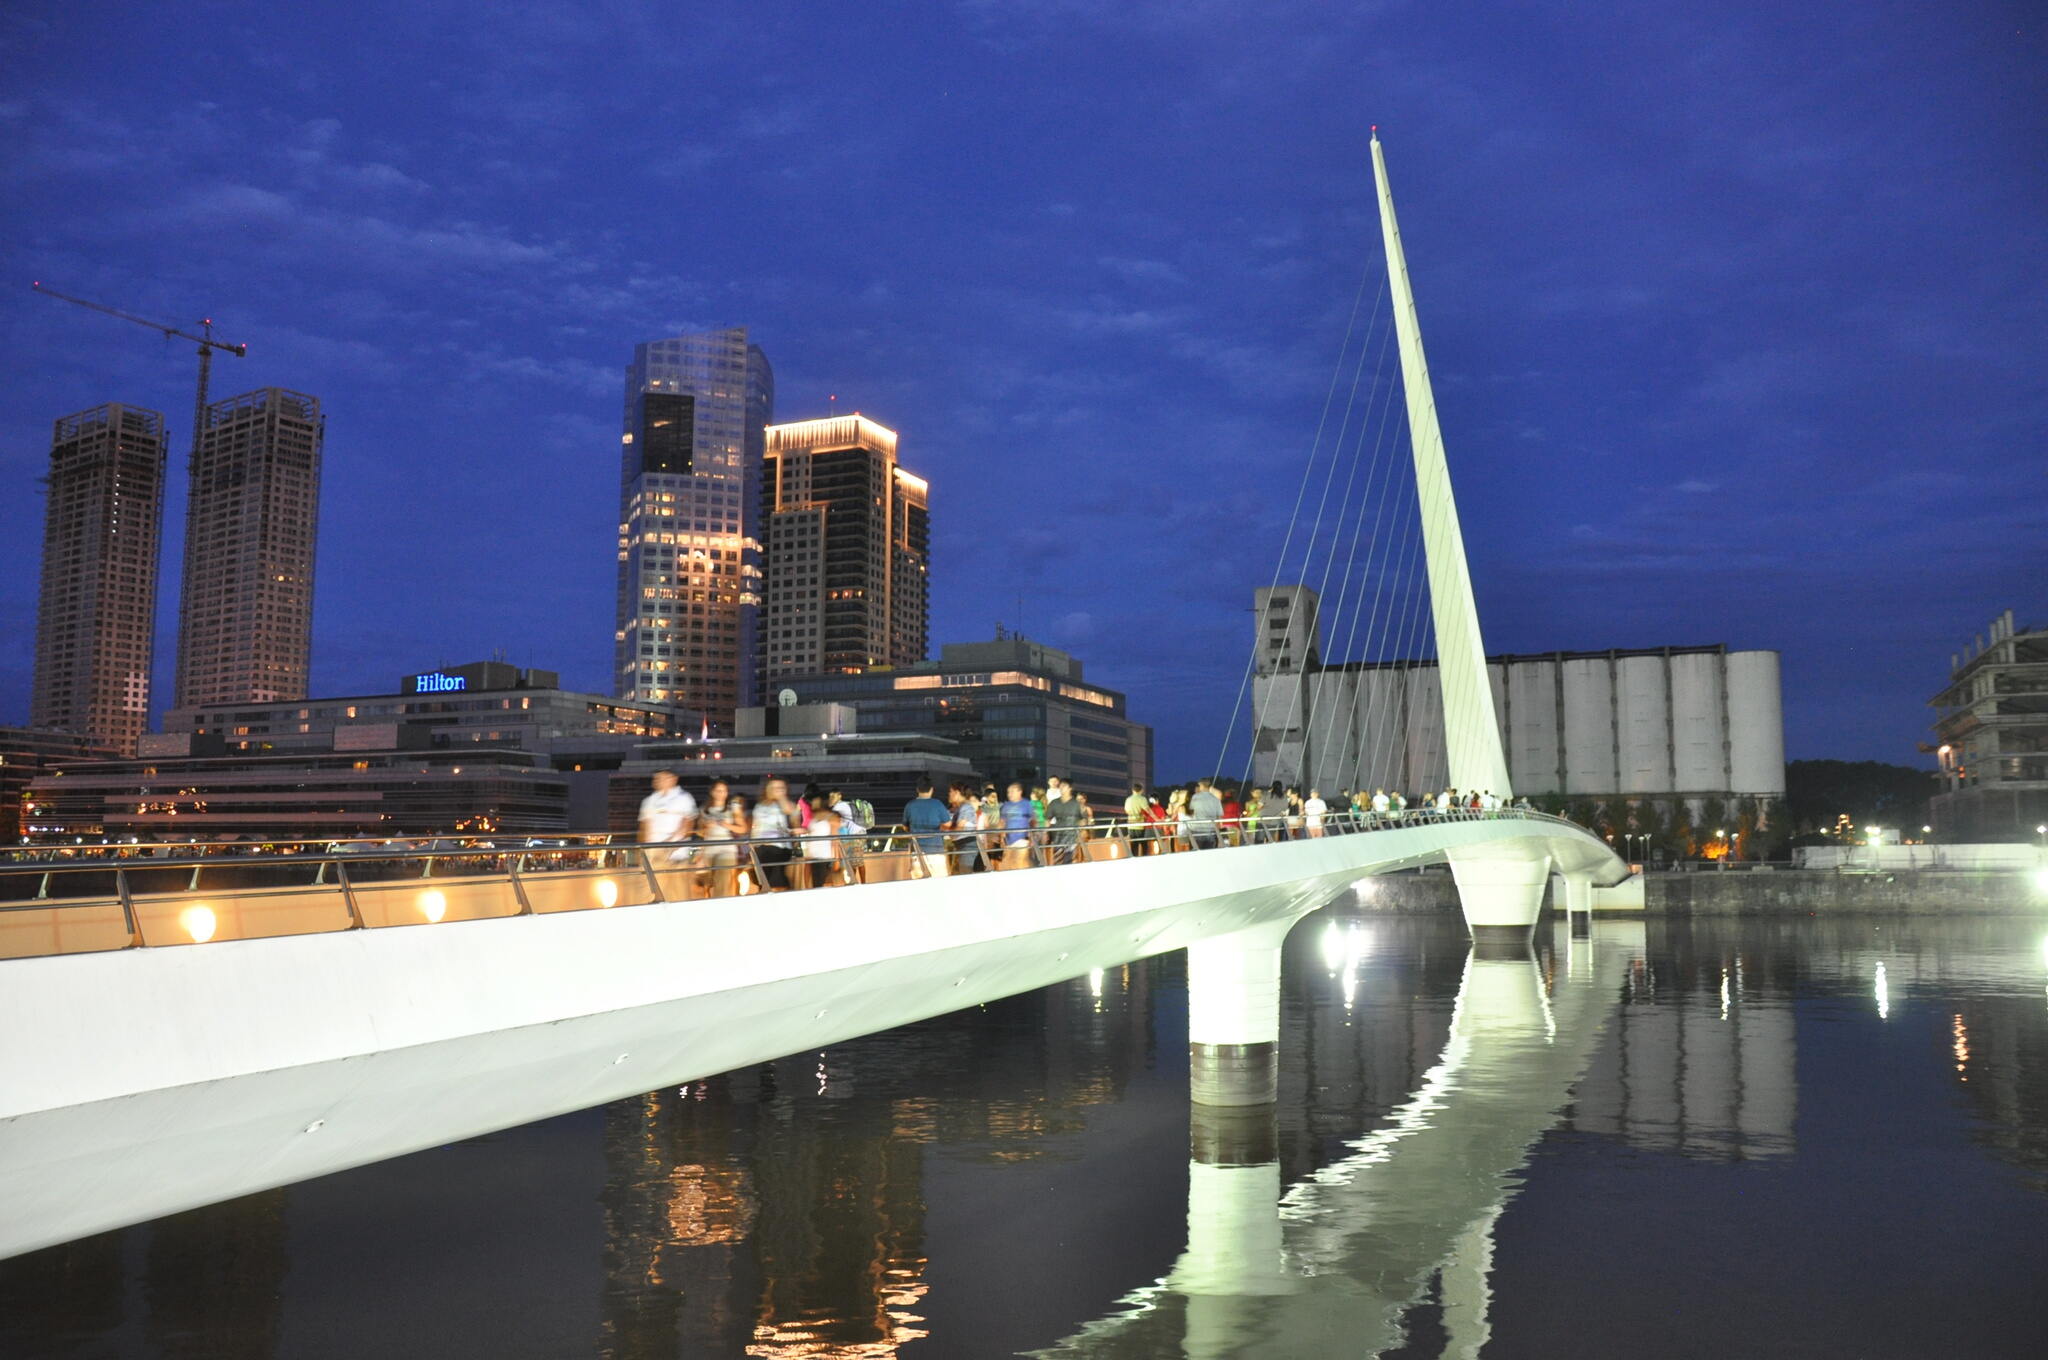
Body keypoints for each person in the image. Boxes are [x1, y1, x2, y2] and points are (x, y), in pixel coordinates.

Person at [697, 779, 748, 898]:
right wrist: (706, 827)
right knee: (708, 882)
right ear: (712, 792)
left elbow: (743, 828)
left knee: (724, 878)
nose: (721, 794)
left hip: (726, 847)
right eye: (718, 791)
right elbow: (700, 832)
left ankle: (723, 903)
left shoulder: (733, 807)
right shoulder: (704, 809)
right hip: (710, 847)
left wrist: (727, 825)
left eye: (724, 791)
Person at [750, 777, 800, 891]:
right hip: (762, 846)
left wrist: (781, 799)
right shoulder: (760, 806)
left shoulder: (789, 804)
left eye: (781, 788)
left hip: (780, 846)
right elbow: (756, 827)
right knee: (763, 880)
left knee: (778, 880)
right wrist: (752, 847)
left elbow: (793, 817)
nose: (778, 790)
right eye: (774, 787)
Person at [637, 769, 698, 863]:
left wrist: (669, 846)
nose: (659, 780)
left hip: (677, 854)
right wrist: (642, 852)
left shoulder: (684, 798)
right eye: (657, 778)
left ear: (674, 779)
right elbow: (644, 828)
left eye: (663, 777)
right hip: (652, 854)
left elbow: (687, 827)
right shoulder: (649, 801)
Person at [904, 781, 951, 878]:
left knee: (918, 883)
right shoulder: (937, 804)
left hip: (917, 851)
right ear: (932, 790)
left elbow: (905, 827)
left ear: (917, 790)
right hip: (936, 849)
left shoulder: (910, 805)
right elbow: (948, 824)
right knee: (939, 882)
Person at [999, 782, 1037, 869]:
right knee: (1007, 864)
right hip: (1008, 840)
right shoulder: (1006, 805)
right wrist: (1001, 836)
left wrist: (1032, 836)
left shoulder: (1026, 804)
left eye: (1012, 791)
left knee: (1020, 862)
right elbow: (1002, 821)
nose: (1009, 794)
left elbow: (1033, 820)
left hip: (1022, 838)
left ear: (1020, 792)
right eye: (1008, 792)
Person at [1044, 780, 1084, 864]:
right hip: (1058, 837)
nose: (1061, 788)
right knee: (1058, 863)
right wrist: (1045, 833)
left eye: (1064, 786)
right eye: (1060, 786)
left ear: (1070, 788)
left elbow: (1083, 820)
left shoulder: (1076, 804)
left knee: (1070, 863)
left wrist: (1081, 832)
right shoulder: (1054, 803)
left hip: (1072, 838)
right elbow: (1047, 819)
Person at [1188, 779, 1224, 850]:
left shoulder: (1195, 797)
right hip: (1210, 830)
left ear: (1201, 786)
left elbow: (1191, 811)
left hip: (1197, 829)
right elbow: (1219, 815)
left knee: (1196, 853)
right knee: (1209, 853)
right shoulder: (1215, 799)